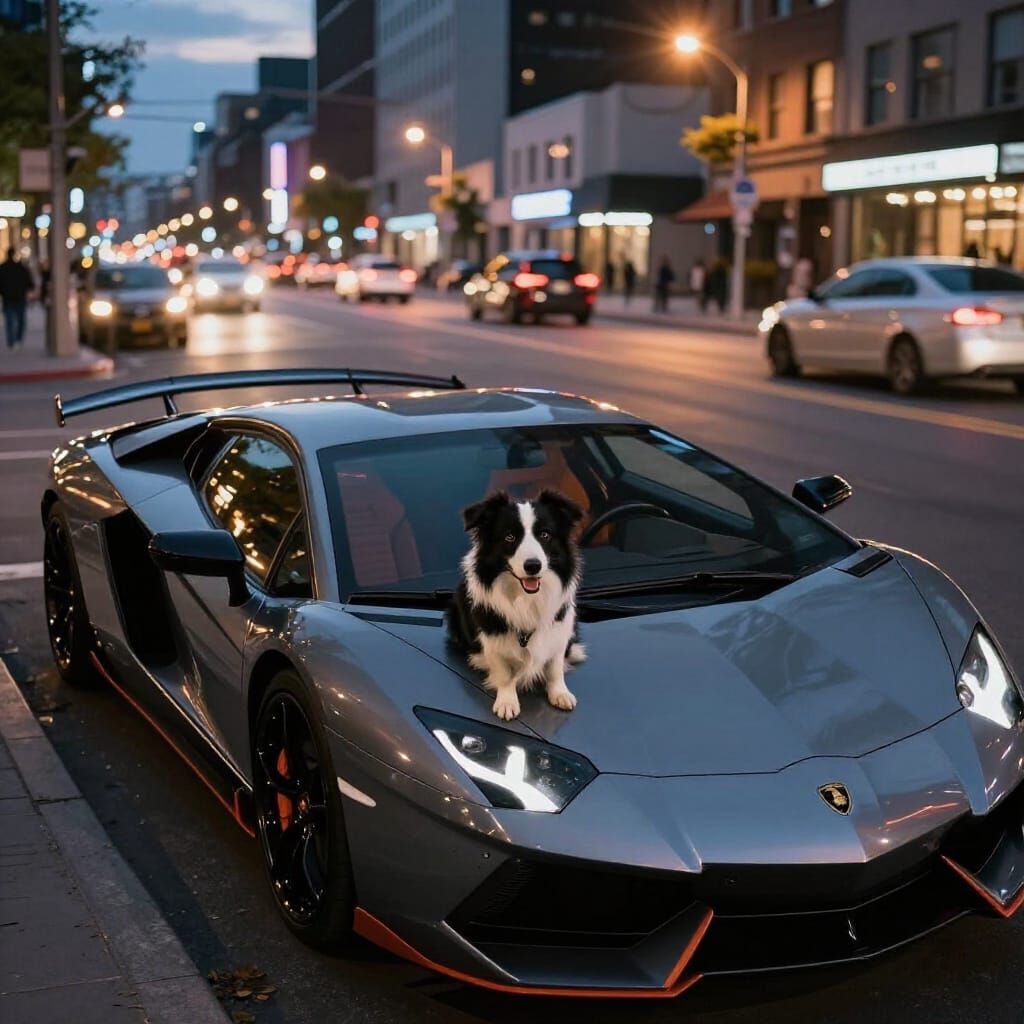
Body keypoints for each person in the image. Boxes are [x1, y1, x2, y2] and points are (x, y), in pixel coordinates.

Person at [0, 247, 35, 349]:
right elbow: (29, 283)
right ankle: (18, 340)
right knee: (20, 320)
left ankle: (11, 341)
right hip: (19, 298)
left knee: (9, 321)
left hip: (8, 298)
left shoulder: (2, 268)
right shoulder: (21, 268)